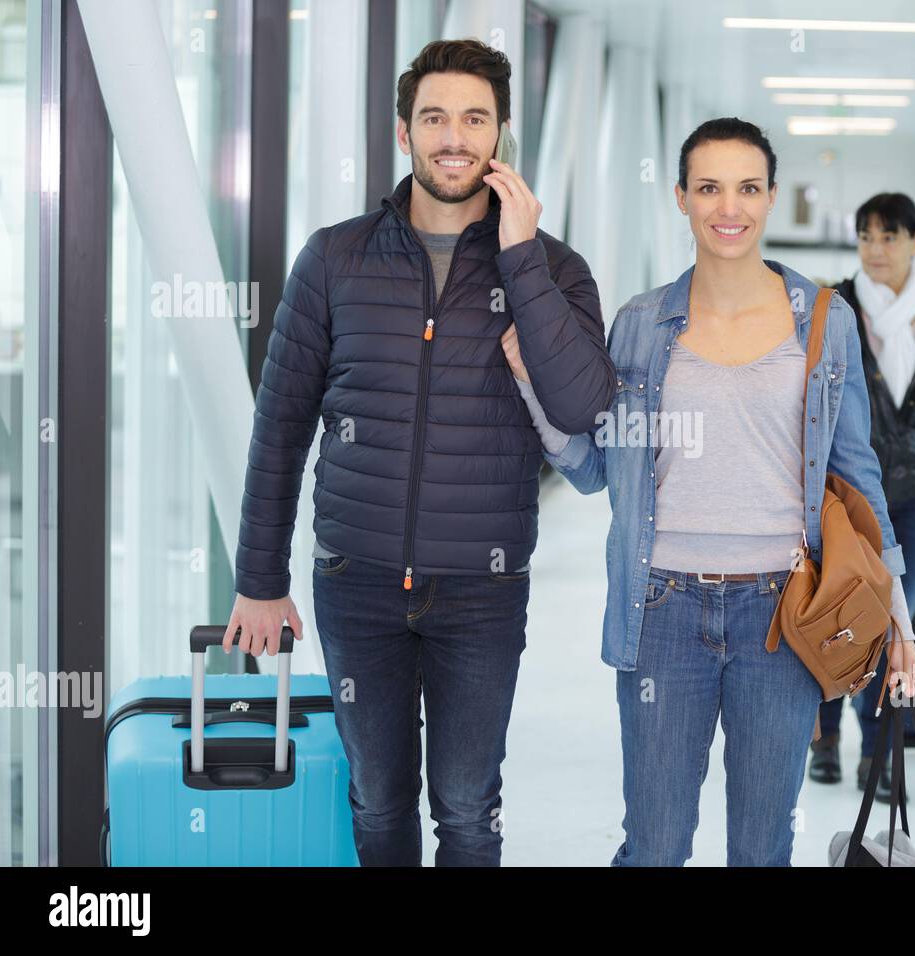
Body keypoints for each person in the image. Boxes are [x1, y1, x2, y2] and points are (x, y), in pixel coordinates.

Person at [224, 38, 614, 866]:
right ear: (404, 132)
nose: (453, 137)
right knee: (376, 801)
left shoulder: (554, 267)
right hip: (355, 582)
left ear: (500, 136)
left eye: (475, 119)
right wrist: (260, 580)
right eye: (434, 117)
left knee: (469, 811)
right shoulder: (335, 258)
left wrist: (520, 259)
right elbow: (281, 425)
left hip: (482, 584)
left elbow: (583, 406)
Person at [504, 118, 915, 866]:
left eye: (747, 188)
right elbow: (597, 467)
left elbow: (858, 479)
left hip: (783, 614)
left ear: (768, 198)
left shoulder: (824, 322)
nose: (728, 207)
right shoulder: (639, 323)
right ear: (681, 198)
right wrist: (533, 385)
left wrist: (901, 626)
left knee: (762, 850)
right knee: (656, 846)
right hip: (662, 610)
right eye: (708, 188)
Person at [808, 192, 915, 802]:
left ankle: (875, 751)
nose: (877, 250)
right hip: (850, 491)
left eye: (890, 236)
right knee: (839, 610)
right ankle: (825, 736)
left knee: (892, 618)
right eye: (866, 237)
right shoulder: (833, 306)